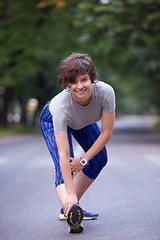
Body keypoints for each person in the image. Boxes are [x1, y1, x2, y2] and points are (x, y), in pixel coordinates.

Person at [40, 52, 116, 233]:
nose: (79, 86)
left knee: (99, 159)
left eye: (84, 80)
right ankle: (71, 208)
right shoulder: (59, 107)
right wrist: (71, 192)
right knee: (64, 165)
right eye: (73, 82)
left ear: (92, 79)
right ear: (67, 84)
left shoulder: (106, 93)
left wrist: (84, 160)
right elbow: (64, 155)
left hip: (81, 120)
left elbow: (106, 133)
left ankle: (71, 208)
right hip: (53, 120)